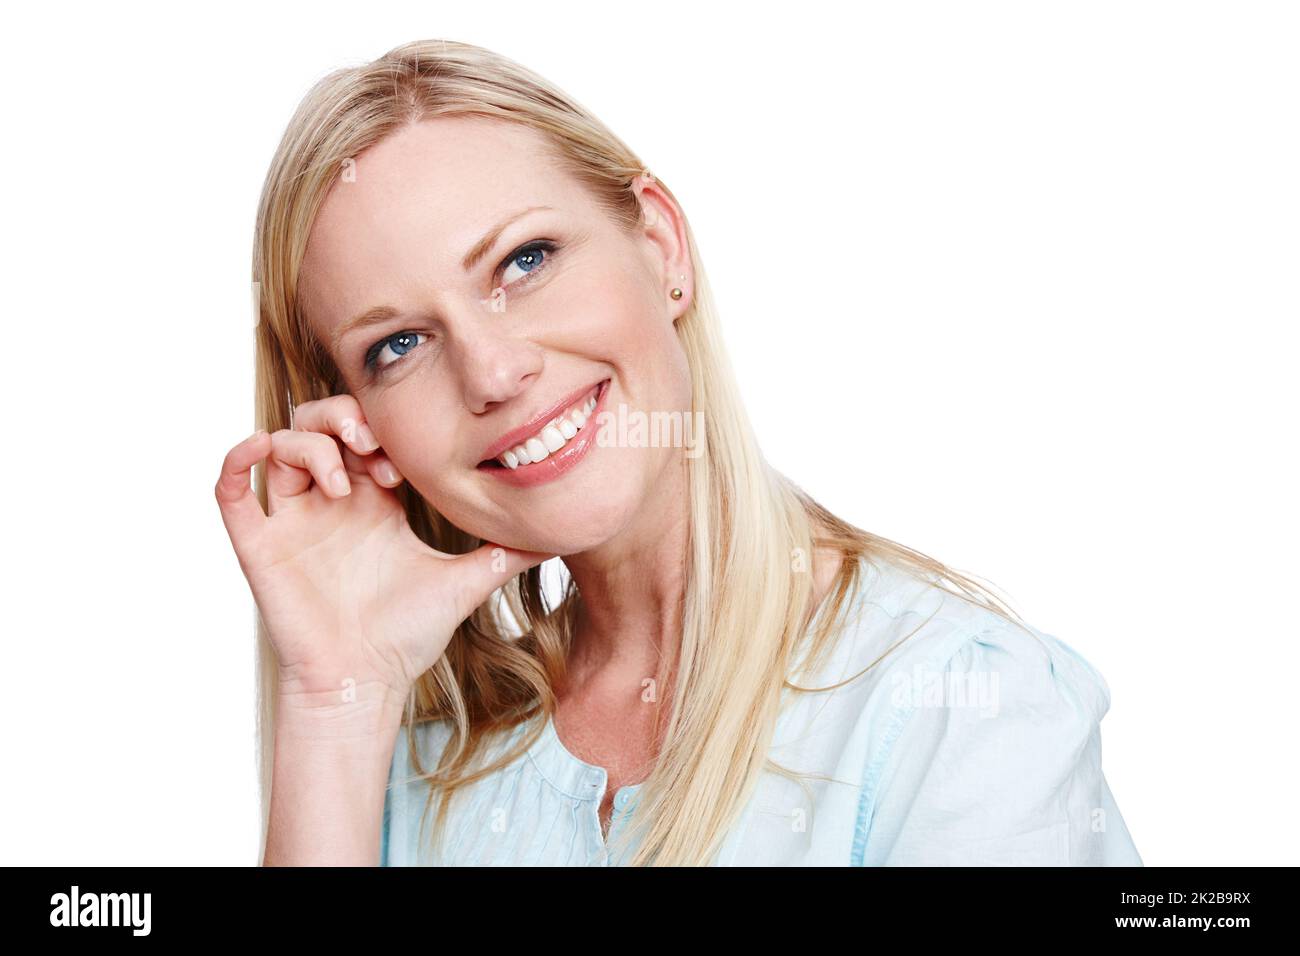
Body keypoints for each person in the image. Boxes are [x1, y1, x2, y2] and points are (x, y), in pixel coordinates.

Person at [215, 38, 1142, 866]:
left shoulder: (957, 708)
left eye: (524, 262)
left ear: (659, 244)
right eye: (399, 346)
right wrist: (333, 701)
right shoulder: (405, 754)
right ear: (355, 419)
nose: (492, 373)